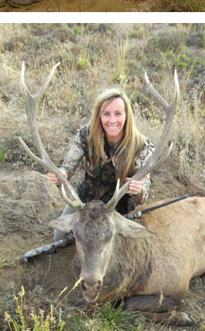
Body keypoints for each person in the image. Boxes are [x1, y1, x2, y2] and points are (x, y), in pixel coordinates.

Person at [48, 87, 155, 240]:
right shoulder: (86, 135)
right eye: (106, 114)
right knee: (59, 237)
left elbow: (143, 197)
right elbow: (68, 167)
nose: (112, 120)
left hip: (116, 210)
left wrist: (137, 190)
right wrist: (62, 174)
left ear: (126, 116)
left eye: (118, 113)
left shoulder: (142, 147)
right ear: (99, 115)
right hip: (85, 202)